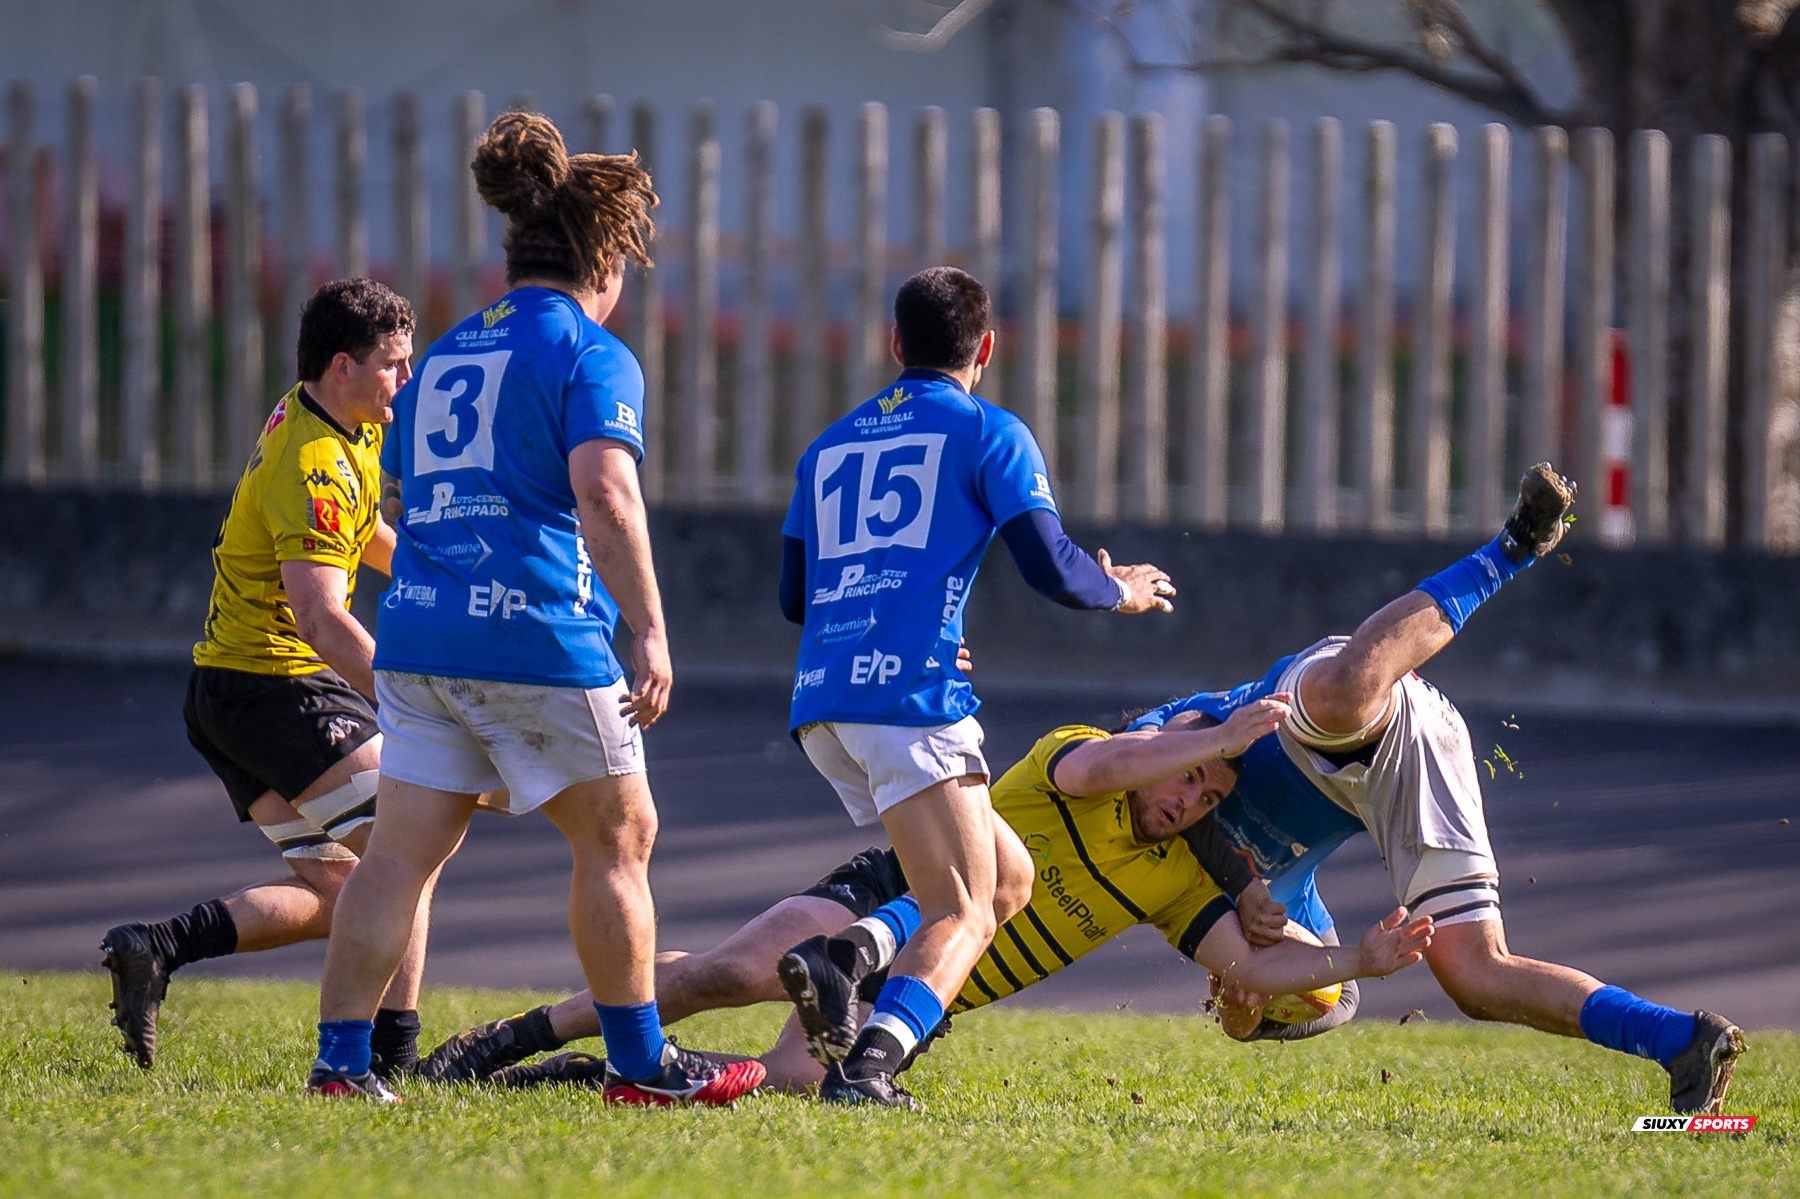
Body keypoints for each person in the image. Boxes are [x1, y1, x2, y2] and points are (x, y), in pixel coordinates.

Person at [306, 112, 760, 1107]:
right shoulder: (589, 351)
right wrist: (650, 627)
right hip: (536, 631)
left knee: (399, 853)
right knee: (618, 833)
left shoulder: (442, 356)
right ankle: (640, 1065)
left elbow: (410, 495)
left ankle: (341, 1065)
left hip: (419, 632)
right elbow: (604, 493)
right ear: (606, 259)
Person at [416, 700, 1434, 1098]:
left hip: (920, 996)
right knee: (729, 970)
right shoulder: (1080, 760)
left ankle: (594, 1073)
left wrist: (1361, 961)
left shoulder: (1175, 875)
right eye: (1190, 774)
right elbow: (1113, 762)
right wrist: (1221, 736)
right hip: (892, 891)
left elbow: (1247, 965)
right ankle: (508, 1038)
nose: (1187, 797)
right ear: (1164, 745)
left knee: (782, 1079)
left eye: (1208, 798)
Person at [1140, 465, 1745, 1115]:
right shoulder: (1218, 910)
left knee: (1337, 694)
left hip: (1304, 724)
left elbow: (1138, 744)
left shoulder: (1127, 767)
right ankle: (1683, 1040)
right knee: (1475, 976)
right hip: (1409, 768)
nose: (1185, 803)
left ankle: (1512, 548)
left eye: (1192, 788)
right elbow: (1327, 1001)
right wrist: (1241, 1006)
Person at [776, 266, 1178, 1106]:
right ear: (986, 348)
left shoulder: (829, 444)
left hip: (822, 703)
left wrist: (899, 616)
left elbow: (794, 596)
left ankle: (849, 952)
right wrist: (1122, 589)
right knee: (964, 910)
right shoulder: (989, 430)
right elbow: (1053, 566)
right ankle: (867, 1070)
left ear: (894, 342)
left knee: (1009, 877)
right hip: (908, 700)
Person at [101, 279, 431, 1076]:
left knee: (339, 889)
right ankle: (394, 1058)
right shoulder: (313, 460)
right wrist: (412, 698)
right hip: (273, 687)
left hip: (231, 688)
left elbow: (360, 528)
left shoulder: (343, 421)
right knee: (407, 848)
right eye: (393, 364)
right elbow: (320, 618)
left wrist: (438, 575)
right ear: (343, 365)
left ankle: (157, 947)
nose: (406, 378)